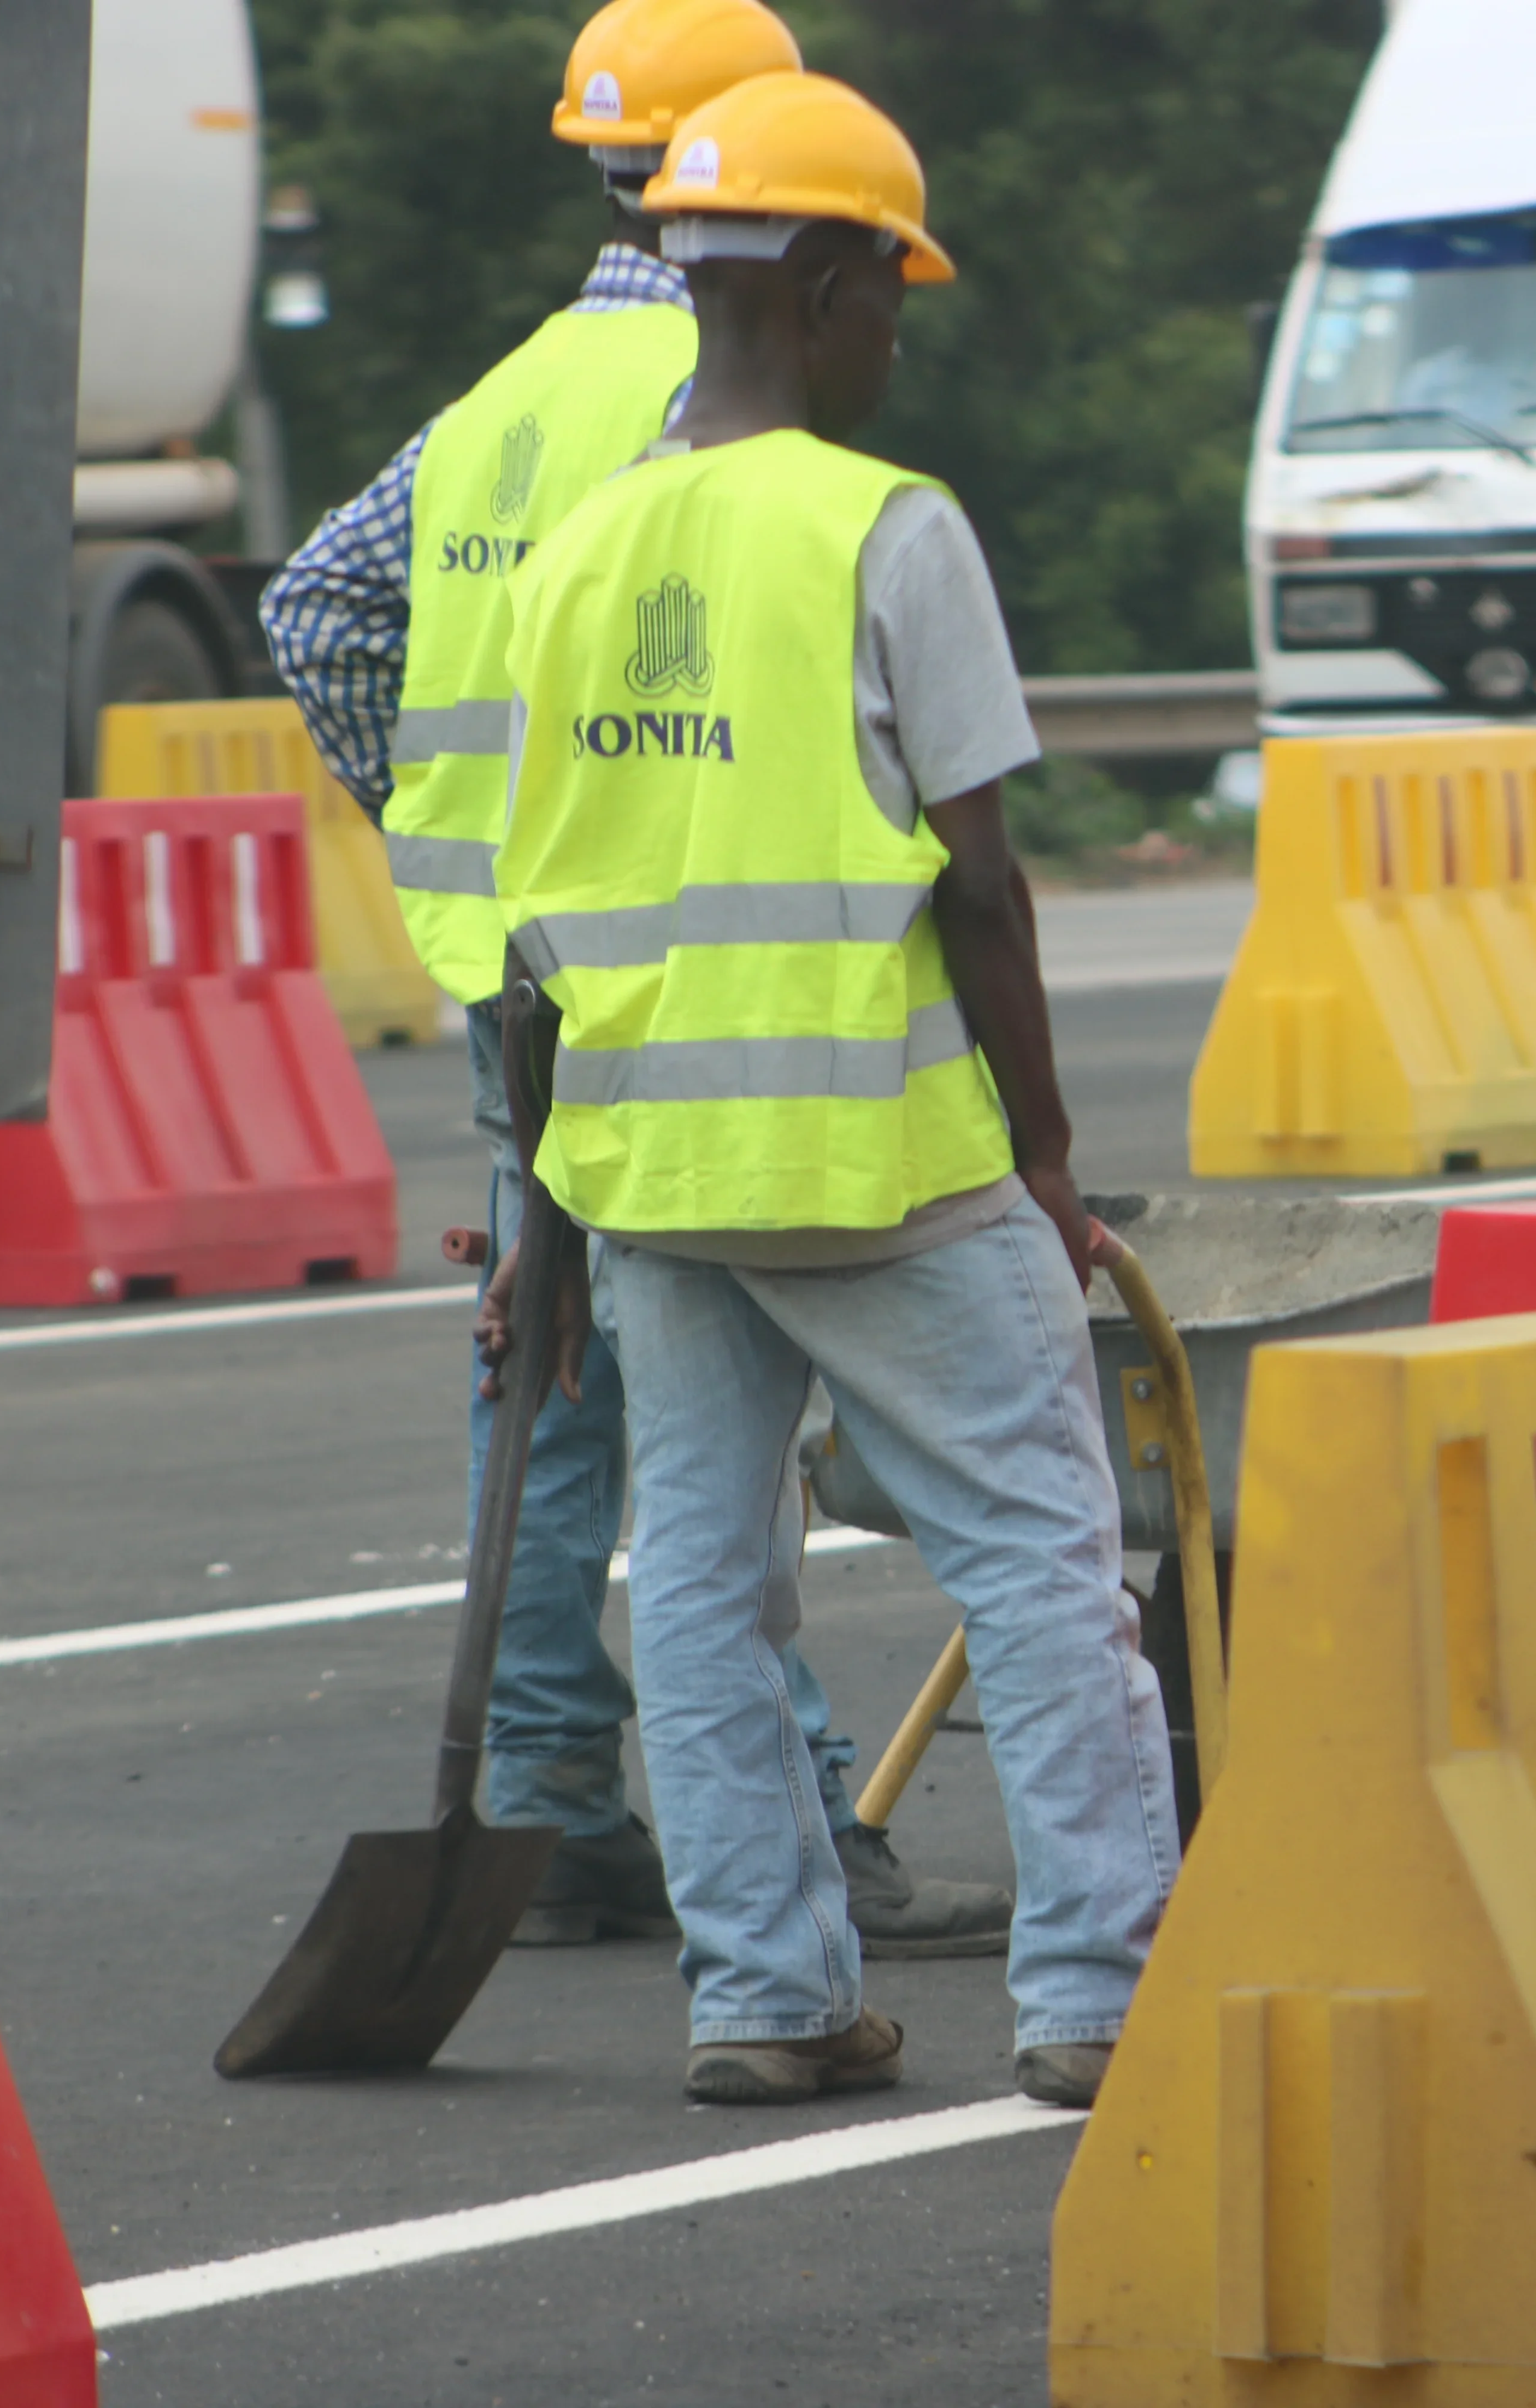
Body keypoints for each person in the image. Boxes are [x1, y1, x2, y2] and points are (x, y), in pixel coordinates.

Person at [260, 0, 1004, 1963]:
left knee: (546, 1382)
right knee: (728, 1418)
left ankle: (548, 1798)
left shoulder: (507, 399)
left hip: (526, 971)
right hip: (700, 981)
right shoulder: (734, 365)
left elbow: (319, 602)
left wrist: (459, 826)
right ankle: (796, 1845)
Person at [487, 69, 1181, 2108]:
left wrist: (542, 1227)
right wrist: (1046, 1161)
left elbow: (536, 933)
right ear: (810, 283)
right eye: (891, 287)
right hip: (880, 1160)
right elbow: (979, 878)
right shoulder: (893, 528)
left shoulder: (582, 549)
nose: (899, 328)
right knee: (1047, 1557)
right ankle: (1097, 1996)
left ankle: (767, 2002)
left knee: (700, 1592)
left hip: (648, 1173)